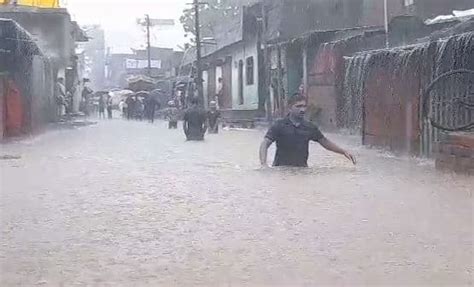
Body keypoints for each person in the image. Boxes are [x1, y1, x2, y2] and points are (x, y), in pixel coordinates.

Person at [260, 94, 356, 167]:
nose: (302, 109)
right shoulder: (279, 125)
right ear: (289, 108)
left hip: (302, 170)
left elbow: (325, 143)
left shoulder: (309, 127)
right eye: (298, 106)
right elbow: (265, 144)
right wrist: (264, 164)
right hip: (281, 170)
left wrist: (343, 152)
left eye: (304, 106)